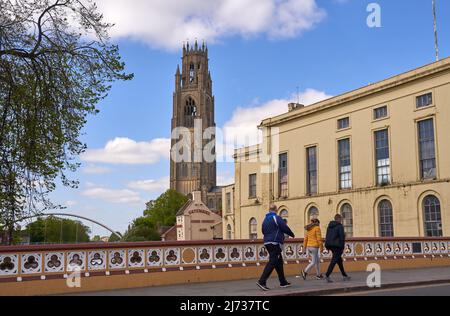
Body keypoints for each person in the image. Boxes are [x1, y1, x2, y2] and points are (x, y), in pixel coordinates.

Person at [257, 204, 295, 291]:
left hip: (267, 242)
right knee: (273, 262)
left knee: (279, 262)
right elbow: (284, 227)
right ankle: (262, 281)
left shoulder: (265, 219)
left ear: (269, 209)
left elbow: (263, 231)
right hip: (274, 242)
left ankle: (283, 282)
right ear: (276, 209)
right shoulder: (276, 218)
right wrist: (291, 234)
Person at [324, 214, 351, 283]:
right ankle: (327, 274)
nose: (341, 220)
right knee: (334, 260)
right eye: (341, 219)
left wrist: (327, 246)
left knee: (339, 261)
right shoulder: (340, 226)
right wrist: (342, 246)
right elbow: (342, 237)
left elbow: (327, 236)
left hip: (330, 245)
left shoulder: (329, 226)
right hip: (337, 246)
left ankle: (344, 275)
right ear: (339, 219)